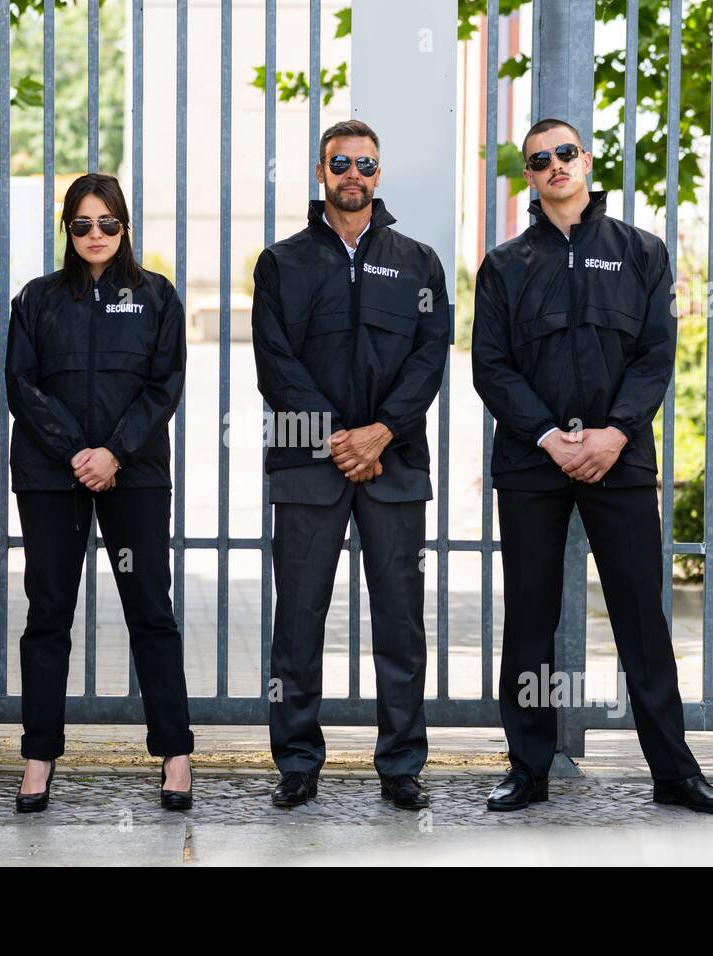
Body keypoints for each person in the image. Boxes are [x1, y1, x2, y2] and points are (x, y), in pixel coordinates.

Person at [471, 117, 713, 814]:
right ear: (527, 176)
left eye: (566, 153)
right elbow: (491, 368)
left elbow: (656, 354)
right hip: (533, 464)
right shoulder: (504, 265)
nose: (555, 165)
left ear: (585, 161)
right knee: (530, 615)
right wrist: (551, 439)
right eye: (540, 159)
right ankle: (527, 768)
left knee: (640, 619)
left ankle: (674, 773)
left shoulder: (642, 252)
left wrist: (615, 434)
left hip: (620, 460)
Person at [251, 119, 449, 810]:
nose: (353, 174)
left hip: (393, 465)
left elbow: (430, 358)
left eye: (365, 163)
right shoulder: (282, 263)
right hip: (309, 463)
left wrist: (382, 434)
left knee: (401, 622)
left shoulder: (419, 261)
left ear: (379, 173)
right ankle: (298, 761)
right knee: (299, 620)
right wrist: (341, 438)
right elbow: (276, 363)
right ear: (320, 171)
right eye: (341, 162)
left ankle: (401, 766)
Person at [5, 173, 194, 813]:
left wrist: (114, 451)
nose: (95, 235)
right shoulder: (36, 299)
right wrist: (74, 453)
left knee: (151, 609)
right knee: (48, 611)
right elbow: (21, 386)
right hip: (50, 474)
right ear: (67, 229)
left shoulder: (156, 297)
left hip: (133, 472)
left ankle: (175, 753)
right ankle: (38, 758)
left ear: (125, 228)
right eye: (82, 224)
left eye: (107, 224)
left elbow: (164, 384)